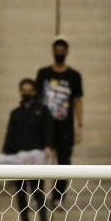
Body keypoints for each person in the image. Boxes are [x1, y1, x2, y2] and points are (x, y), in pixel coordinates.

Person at [34, 37, 84, 208]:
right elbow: (37, 98)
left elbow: (78, 101)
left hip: (65, 126)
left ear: (67, 52)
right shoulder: (43, 74)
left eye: (63, 49)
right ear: (52, 51)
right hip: (45, 125)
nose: (60, 52)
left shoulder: (74, 76)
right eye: (57, 49)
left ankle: (58, 197)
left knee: (64, 162)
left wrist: (80, 125)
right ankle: (38, 196)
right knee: (41, 161)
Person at [4, 79, 55, 221]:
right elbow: (10, 136)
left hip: (36, 157)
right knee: (20, 191)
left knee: (38, 191)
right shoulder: (15, 113)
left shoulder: (43, 110)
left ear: (35, 91)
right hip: (19, 157)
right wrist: (7, 154)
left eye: (29, 89)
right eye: (23, 89)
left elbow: (49, 130)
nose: (27, 92)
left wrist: (48, 146)